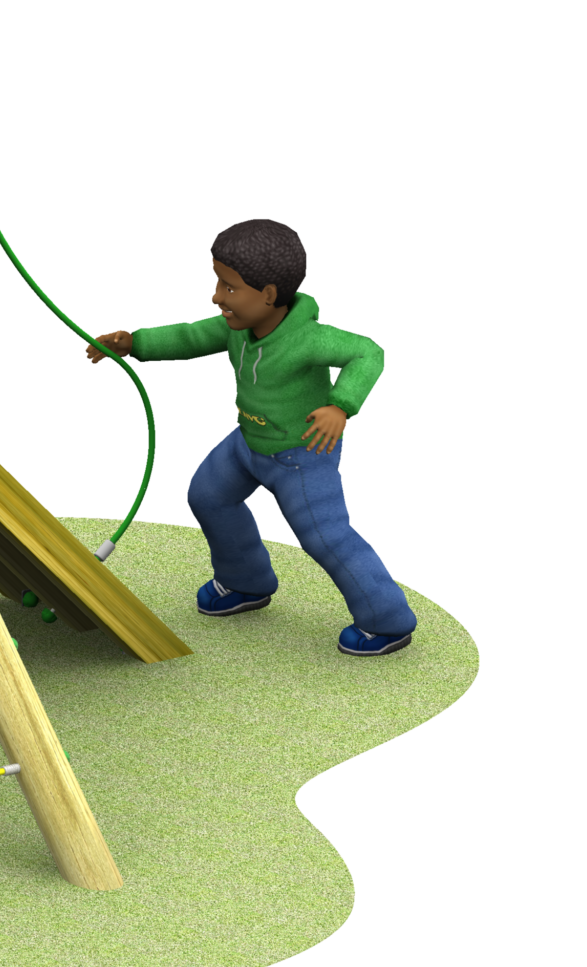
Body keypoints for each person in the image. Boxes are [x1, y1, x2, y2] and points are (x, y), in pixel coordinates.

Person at [85, 218, 414, 655]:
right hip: (247, 443)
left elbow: (369, 352)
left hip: (302, 454)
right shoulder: (235, 327)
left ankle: (387, 621)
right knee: (208, 495)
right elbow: (189, 335)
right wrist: (135, 343)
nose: (217, 296)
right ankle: (246, 583)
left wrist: (341, 405)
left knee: (326, 536)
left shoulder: (307, 339)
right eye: (217, 283)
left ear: (269, 295)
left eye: (229, 287)